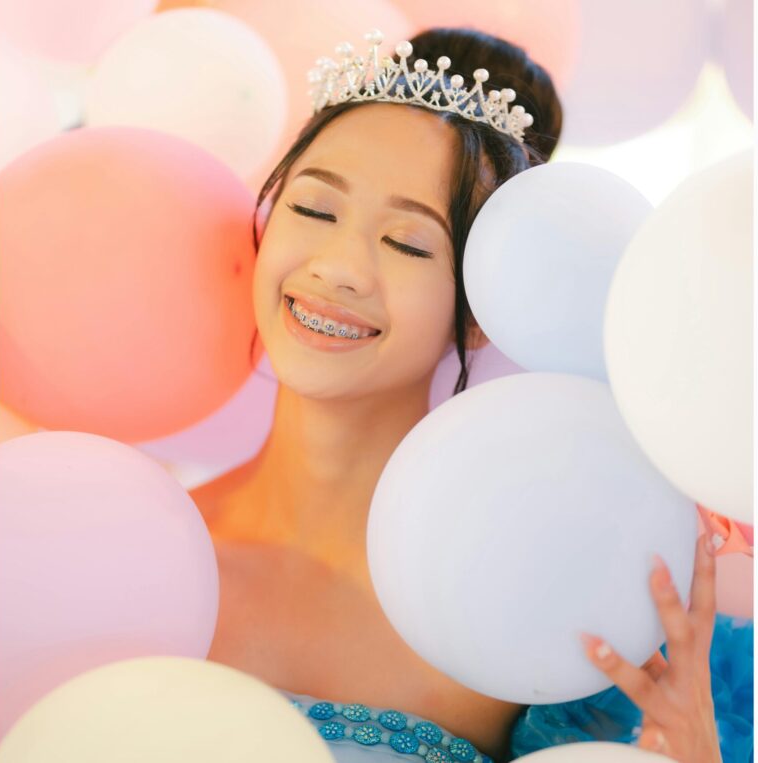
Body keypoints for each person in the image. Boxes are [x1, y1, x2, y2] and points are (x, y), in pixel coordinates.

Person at [188, 26, 753, 763]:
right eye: (315, 210)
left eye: (407, 242)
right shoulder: (142, 547)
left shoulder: (548, 608)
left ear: (483, 310)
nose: (340, 268)